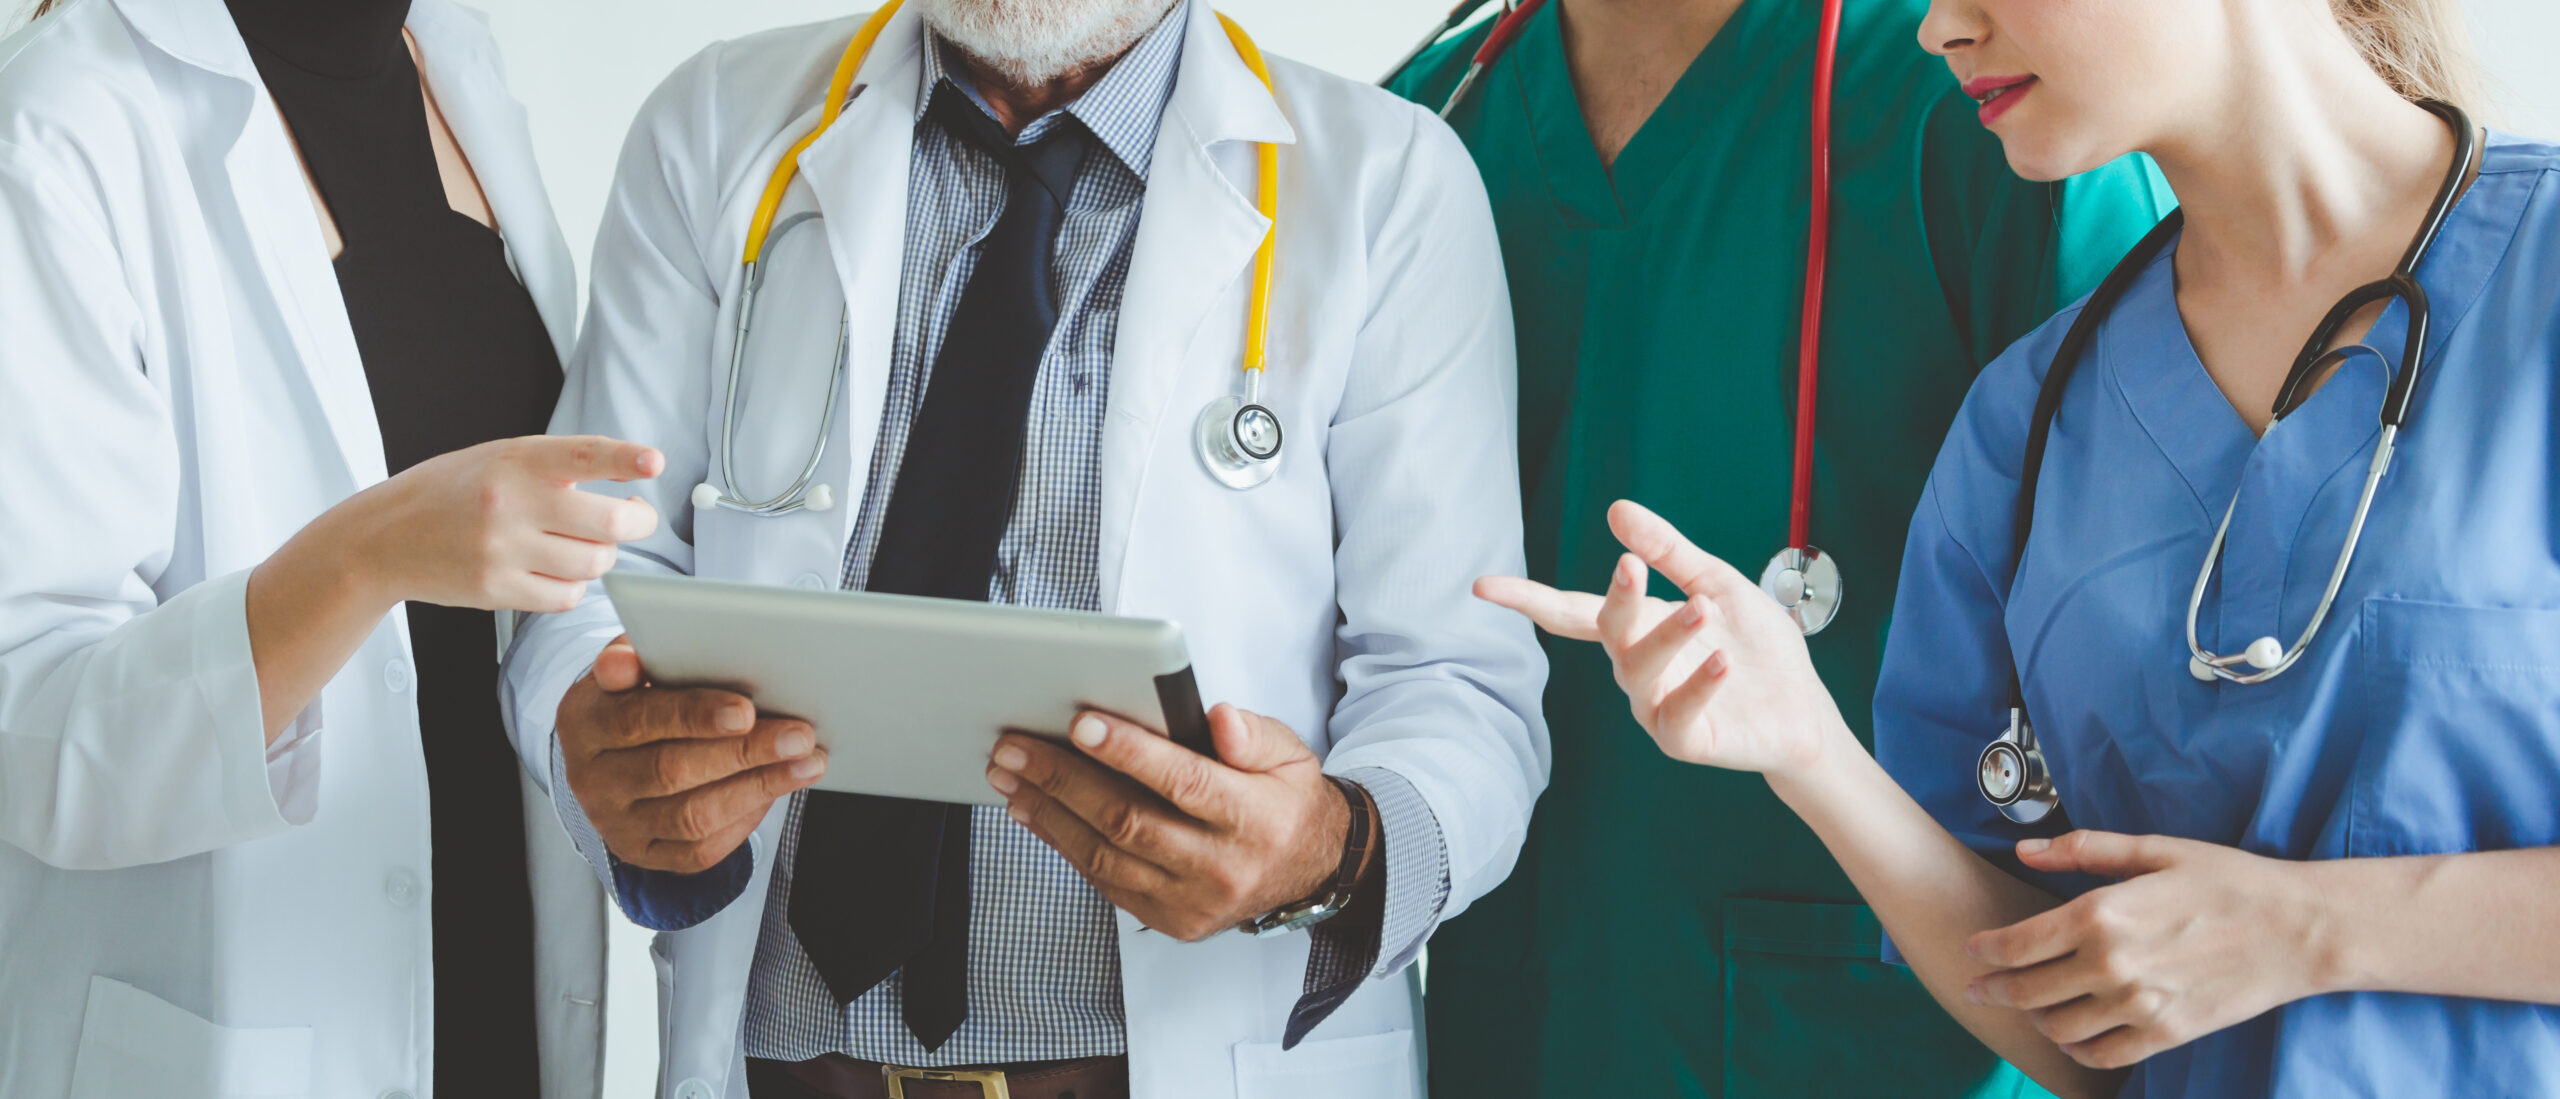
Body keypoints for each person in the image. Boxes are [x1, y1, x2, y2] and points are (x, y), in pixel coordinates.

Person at [1482, 0, 2560, 1094]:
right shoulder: (2028, 422)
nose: (1936, 27)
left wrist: (2314, 928)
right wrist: (1806, 746)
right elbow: (2076, 1023)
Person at [497, 0, 1547, 1096]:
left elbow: (1458, 681)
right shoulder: (714, 127)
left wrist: (1328, 849)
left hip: (1186, 1060)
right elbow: (583, 577)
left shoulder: (1387, 183)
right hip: (783, 1071)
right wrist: (604, 734)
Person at [1381, 0, 2170, 1093]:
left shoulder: (1998, 97)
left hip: (1908, 1038)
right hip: (1522, 1021)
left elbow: (2181, 698)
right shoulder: (1428, 124)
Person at [0, 0, 648, 1094]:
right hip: (234, 1023)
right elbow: (32, 734)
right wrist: (365, 556)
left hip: (490, 989)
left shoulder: (454, 59)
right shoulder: (62, 120)